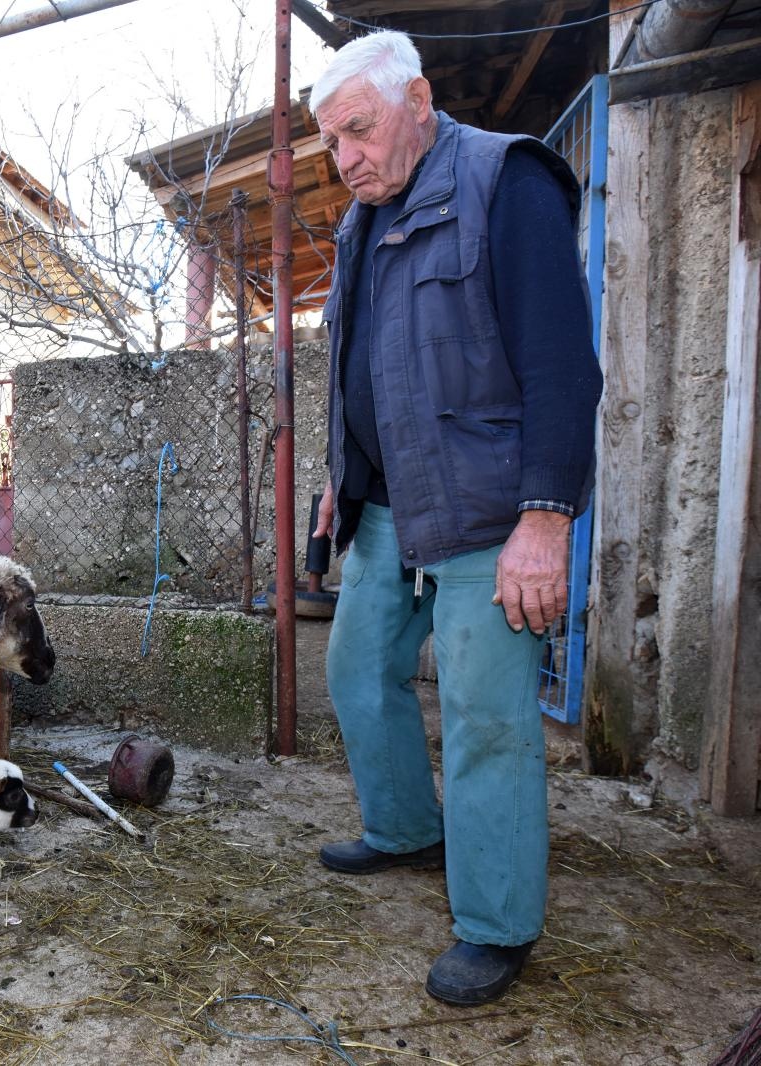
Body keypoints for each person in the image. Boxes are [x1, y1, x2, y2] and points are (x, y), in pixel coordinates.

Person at [308, 31, 603, 1006]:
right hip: (389, 507)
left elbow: (562, 365)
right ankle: (404, 828)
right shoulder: (360, 221)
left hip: (490, 514)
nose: (344, 156)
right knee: (356, 669)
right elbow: (364, 368)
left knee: (487, 721)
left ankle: (495, 921)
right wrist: (338, 477)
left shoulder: (502, 181)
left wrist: (545, 518)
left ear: (418, 99)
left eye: (357, 129)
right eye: (330, 141)